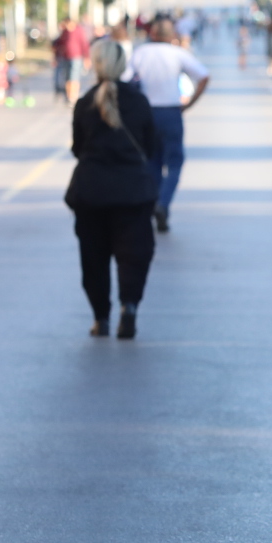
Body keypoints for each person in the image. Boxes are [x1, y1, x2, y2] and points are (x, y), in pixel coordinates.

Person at [67, 38, 159, 338]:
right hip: (133, 192)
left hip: (92, 193)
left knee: (93, 258)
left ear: (95, 64)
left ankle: (100, 318)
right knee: (134, 254)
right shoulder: (139, 101)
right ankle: (129, 307)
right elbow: (152, 145)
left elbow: (78, 148)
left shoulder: (85, 102)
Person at [127, 17, 209, 233]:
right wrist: (189, 104)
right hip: (171, 112)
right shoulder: (177, 53)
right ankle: (163, 204)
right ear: (172, 36)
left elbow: (125, 80)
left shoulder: (140, 53)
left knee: (152, 162)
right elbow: (204, 76)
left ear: (152, 34)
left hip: (147, 113)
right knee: (174, 163)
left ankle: (157, 201)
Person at [53, 18, 89, 105]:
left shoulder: (78, 31)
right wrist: (55, 57)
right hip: (65, 58)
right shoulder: (64, 32)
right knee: (67, 78)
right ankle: (69, 96)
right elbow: (57, 44)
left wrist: (87, 57)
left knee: (74, 77)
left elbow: (84, 43)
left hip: (76, 58)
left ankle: (74, 96)